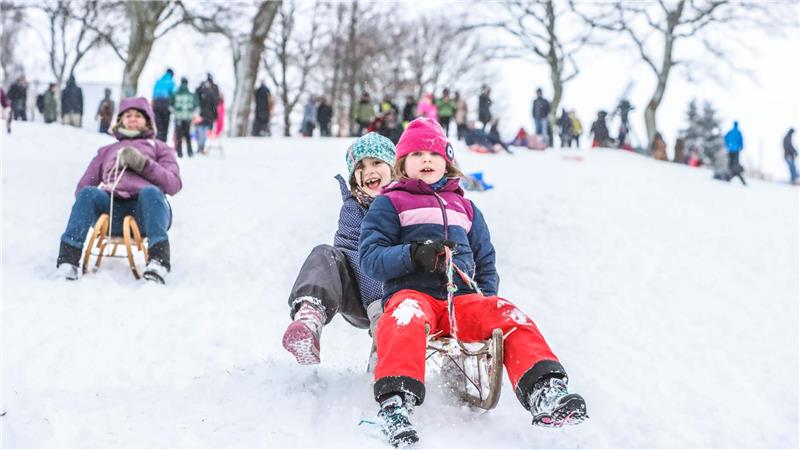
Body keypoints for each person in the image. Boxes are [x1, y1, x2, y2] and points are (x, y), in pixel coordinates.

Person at [359, 118, 587, 446]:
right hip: (413, 294)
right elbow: (371, 258)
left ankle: (545, 389)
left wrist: (485, 304)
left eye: (435, 155)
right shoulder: (390, 203)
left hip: (461, 301)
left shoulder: (465, 206)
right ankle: (397, 403)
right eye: (417, 154)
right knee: (403, 316)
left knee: (506, 313)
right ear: (402, 164)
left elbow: (486, 260)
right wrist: (413, 255)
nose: (427, 160)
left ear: (447, 162)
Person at [282, 132, 396, 365]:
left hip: (402, 295)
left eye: (376, 162)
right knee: (325, 254)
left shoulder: (408, 207)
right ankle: (310, 317)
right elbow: (354, 254)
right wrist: (377, 305)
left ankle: (386, 360)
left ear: (394, 168)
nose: (369, 170)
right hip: (362, 294)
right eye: (360, 166)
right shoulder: (354, 209)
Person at [55, 97, 182, 284]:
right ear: (120, 120)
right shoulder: (107, 150)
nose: (132, 119)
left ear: (148, 121)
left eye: (138, 115)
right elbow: (82, 188)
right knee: (89, 193)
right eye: (127, 115)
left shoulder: (160, 148)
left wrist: (143, 164)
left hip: (146, 213)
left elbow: (173, 184)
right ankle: (68, 260)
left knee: (150, 192)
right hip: (111, 211)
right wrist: (90, 202)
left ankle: (158, 261)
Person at [170, 77, 197, 158]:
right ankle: (190, 152)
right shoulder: (191, 95)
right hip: (188, 118)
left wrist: (176, 111)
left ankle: (179, 152)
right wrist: (190, 112)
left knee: (179, 136)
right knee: (188, 135)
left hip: (178, 118)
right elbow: (195, 105)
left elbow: (171, 105)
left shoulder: (175, 94)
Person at [195, 78, 219, 154]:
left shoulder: (199, 93)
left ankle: (200, 146)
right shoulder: (211, 93)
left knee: (200, 131)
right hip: (208, 116)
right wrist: (215, 115)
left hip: (200, 115)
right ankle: (201, 146)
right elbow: (214, 106)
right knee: (203, 132)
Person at [152, 68, 175, 142]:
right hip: (166, 105)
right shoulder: (171, 82)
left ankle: (158, 140)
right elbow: (173, 96)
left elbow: (153, 94)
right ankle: (163, 143)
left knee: (158, 125)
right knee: (165, 126)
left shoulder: (158, 81)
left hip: (156, 104)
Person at [724, 121, 746, 185]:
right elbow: (741, 140)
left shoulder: (730, 132)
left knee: (730, 163)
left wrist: (727, 145)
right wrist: (741, 146)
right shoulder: (738, 132)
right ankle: (734, 173)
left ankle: (730, 174)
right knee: (735, 163)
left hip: (730, 149)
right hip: (736, 150)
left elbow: (725, 138)